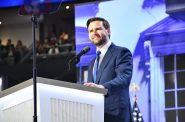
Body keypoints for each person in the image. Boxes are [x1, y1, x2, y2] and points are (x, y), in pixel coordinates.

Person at [84, 17, 133, 122]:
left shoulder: (121, 52)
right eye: (91, 31)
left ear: (108, 30)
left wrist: (101, 87)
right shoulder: (92, 63)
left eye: (98, 29)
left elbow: (124, 78)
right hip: (96, 115)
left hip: (116, 115)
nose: (94, 33)